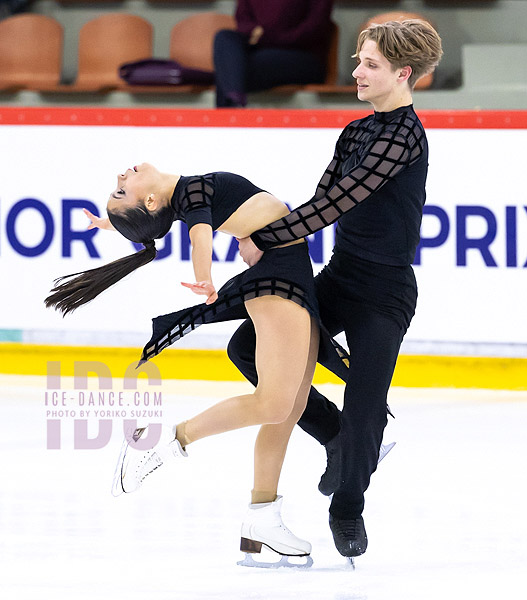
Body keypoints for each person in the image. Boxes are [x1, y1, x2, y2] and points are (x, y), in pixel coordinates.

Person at [45, 165, 348, 567]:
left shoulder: (183, 196)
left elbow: (169, 222)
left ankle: (262, 519)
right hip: (277, 277)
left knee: (288, 408)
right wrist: (204, 277)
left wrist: (111, 222)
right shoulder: (192, 194)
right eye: (121, 189)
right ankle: (168, 440)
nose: (122, 175)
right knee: (275, 404)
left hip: (290, 270)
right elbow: (198, 235)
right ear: (150, 200)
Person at [232, 19, 443, 561]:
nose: (357, 72)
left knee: (368, 403)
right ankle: (332, 433)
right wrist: (270, 241)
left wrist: (261, 236)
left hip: (386, 291)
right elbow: (321, 195)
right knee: (247, 347)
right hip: (342, 276)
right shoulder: (354, 131)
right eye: (358, 60)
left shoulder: (404, 137)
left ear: (403, 74)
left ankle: (347, 506)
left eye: (370, 65)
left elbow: (336, 205)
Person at [213, 0, 334, 107]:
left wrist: (270, 37)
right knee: (224, 37)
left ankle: (229, 112)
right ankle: (234, 102)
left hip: (302, 55)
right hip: (260, 50)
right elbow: (242, 20)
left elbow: (316, 26)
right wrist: (254, 31)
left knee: (231, 66)